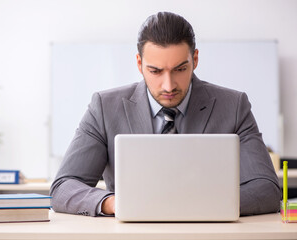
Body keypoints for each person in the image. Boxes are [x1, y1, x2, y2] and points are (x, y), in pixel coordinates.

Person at [50, 12, 281, 217]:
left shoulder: (233, 105)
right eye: (156, 71)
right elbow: (64, 187)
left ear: (195, 60)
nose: (168, 85)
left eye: (180, 69)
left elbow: (266, 188)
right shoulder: (105, 107)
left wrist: (197, 205)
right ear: (140, 64)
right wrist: (113, 203)